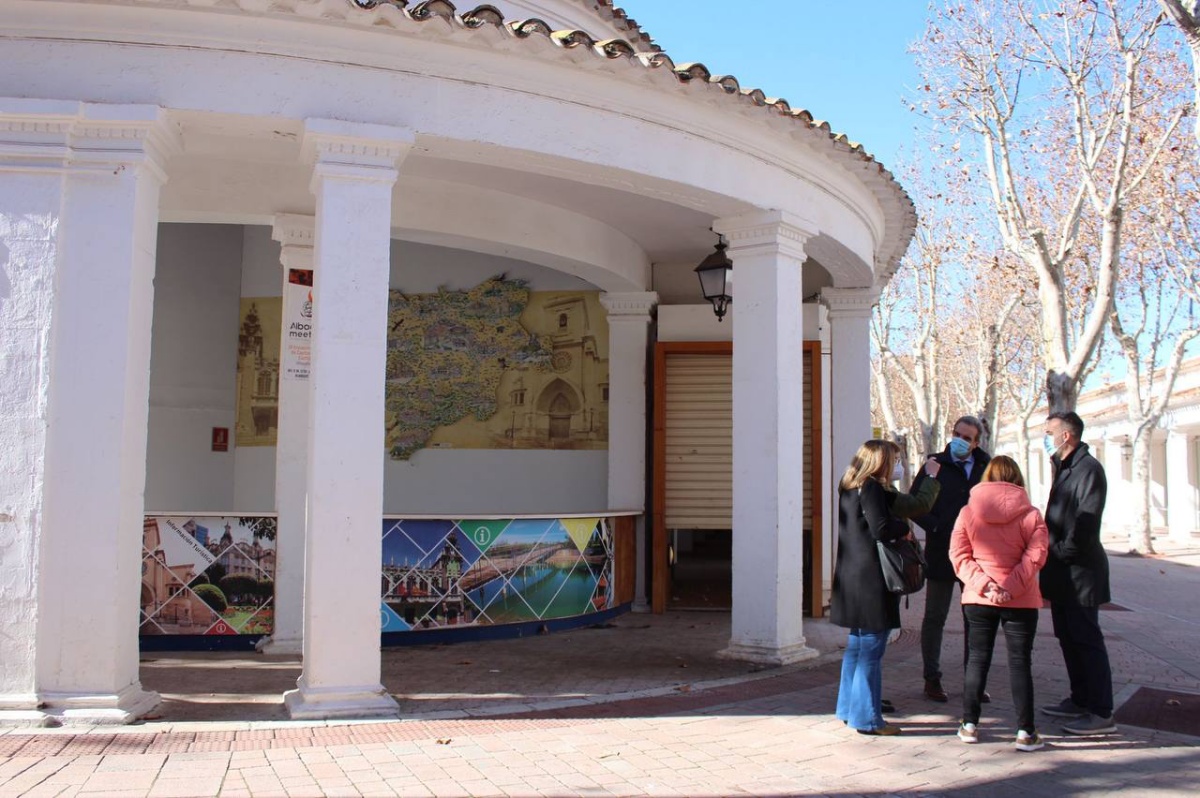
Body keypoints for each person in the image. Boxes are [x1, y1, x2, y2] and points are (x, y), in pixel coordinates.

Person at [832, 440, 938, 736]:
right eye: (894, 459)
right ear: (881, 461)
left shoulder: (848, 487)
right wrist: (903, 528)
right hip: (872, 581)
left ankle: (847, 708)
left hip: (851, 579)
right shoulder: (873, 488)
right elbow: (881, 529)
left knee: (857, 647)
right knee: (871, 651)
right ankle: (867, 719)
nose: (897, 464)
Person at [949, 456, 1049, 751]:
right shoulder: (1031, 514)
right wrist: (1009, 587)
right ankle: (1026, 732)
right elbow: (1036, 556)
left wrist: (985, 585)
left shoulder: (968, 512)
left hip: (978, 598)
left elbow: (959, 555)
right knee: (1020, 663)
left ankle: (969, 725)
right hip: (1021, 599)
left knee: (977, 658)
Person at [1038, 411, 1117, 736]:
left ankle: (1101, 711)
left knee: (1086, 639)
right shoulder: (1064, 467)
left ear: (1066, 435)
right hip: (1060, 573)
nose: (1045, 437)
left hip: (1080, 573)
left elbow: (1085, 525)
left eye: (1049, 432)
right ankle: (1080, 698)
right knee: (1068, 638)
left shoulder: (1089, 470)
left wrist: (1055, 552)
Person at [909, 416, 991, 702]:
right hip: (941, 552)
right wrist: (938, 526)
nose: (960, 440)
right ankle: (932, 679)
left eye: (967, 437)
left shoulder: (986, 467)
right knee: (935, 616)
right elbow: (915, 504)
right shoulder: (935, 465)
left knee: (976, 618)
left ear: (976, 442)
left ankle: (975, 681)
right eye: (957, 434)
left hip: (977, 557)